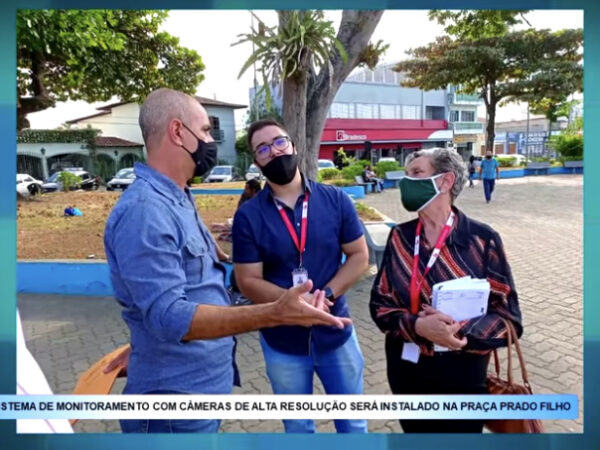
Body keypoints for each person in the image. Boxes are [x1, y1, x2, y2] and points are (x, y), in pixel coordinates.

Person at [103, 88, 351, 434]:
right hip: (175, 406)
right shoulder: (146, 211)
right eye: (204, 130)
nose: (209, 140)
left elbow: (172, 297)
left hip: (193, 391)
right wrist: (274, 313)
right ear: (178, 132)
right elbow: (171, 317)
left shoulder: (176, 198)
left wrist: (145, 346)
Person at [369, 147, 522, 433]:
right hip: (407, 369)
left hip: (463, 374)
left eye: (416, 173)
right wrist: (418, 326)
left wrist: (457, 332)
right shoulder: (400, 237)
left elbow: (509, 317)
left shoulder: (482, 240)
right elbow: (379, 305)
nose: (406, 182)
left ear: (445, 181)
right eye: (405, 175)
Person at [232, 118, 370, 434]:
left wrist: (326, 296)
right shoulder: (248, 217)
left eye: (279, 142)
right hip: (283, 342)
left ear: (293, 145)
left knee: (353, 423)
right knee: (298, 427)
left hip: (336, 331)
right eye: (262, 149)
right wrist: (290, 303)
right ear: (256, 161)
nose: (274, 151)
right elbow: (247, 281)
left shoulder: (335, 199)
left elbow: (359, 256)